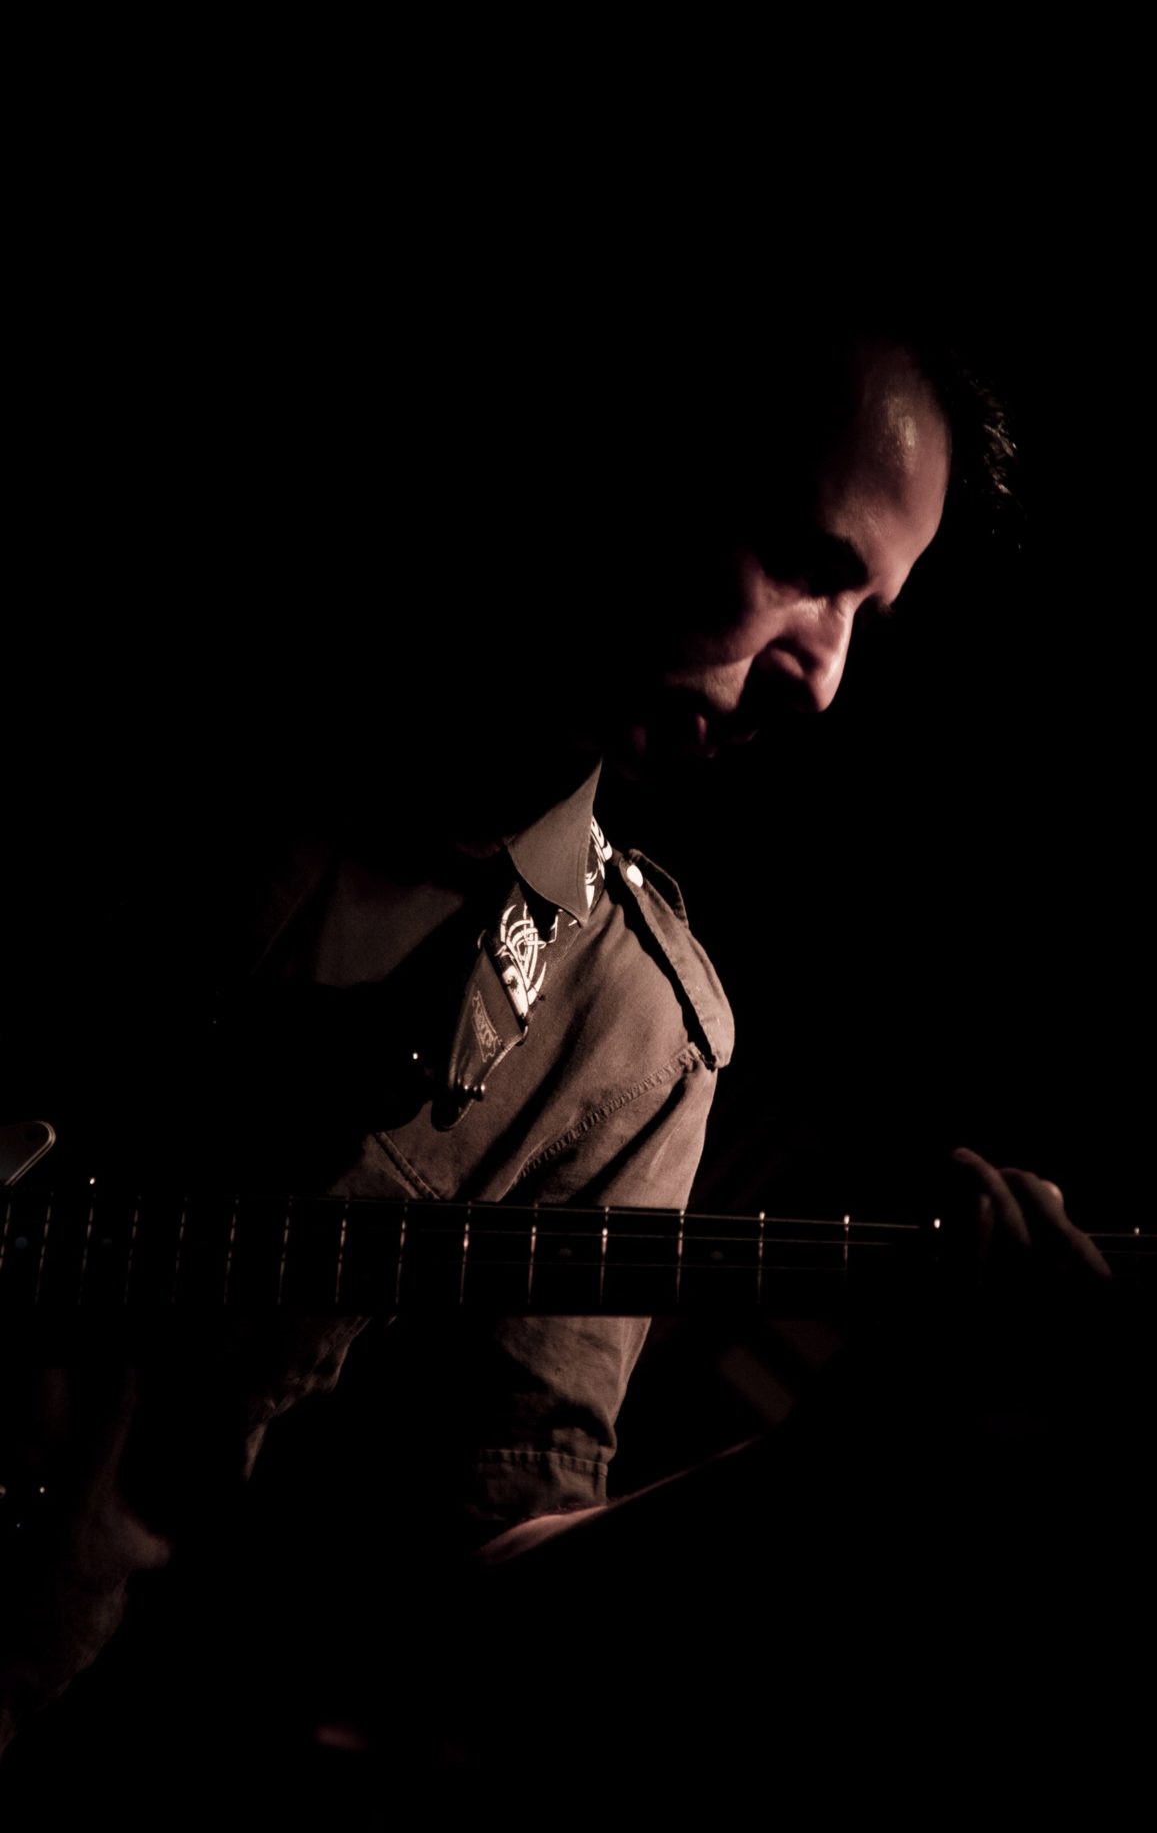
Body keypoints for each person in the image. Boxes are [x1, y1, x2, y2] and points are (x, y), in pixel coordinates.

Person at [0, 308, 1101, 1797]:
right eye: (803, 561)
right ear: (643, 444)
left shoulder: (627, 1042)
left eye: (863, 614)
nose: (824, 675)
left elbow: (459, 1599)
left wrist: (841, 1458)